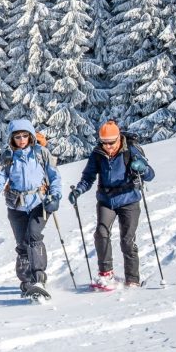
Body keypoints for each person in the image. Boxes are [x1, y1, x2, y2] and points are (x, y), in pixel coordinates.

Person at [0, 119, 62, 299]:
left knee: (33, 236)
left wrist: (55, 197)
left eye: (25, 136)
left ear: (31, 136)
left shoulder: (41, 153)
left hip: (39, 202)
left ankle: (39, 278)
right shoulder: (7, 158)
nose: (22, 139)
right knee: (22, 245)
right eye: (18, 136)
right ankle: (26, 284)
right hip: (16, 205)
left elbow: (54, 177)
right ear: (12, 138)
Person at [68, 120, 155, 288]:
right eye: (104, 142)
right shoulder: (97, 154)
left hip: (129, 199)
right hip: (106, 200)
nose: (107, 146)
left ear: (118, 138)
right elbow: (88, 177)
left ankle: (133, 279)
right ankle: (106, 274)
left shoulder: (131, 150)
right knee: (101, 233)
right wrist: (78, 190)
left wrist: (142, 168)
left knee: (127, 240)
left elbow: (150, 175)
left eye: (111, 142)